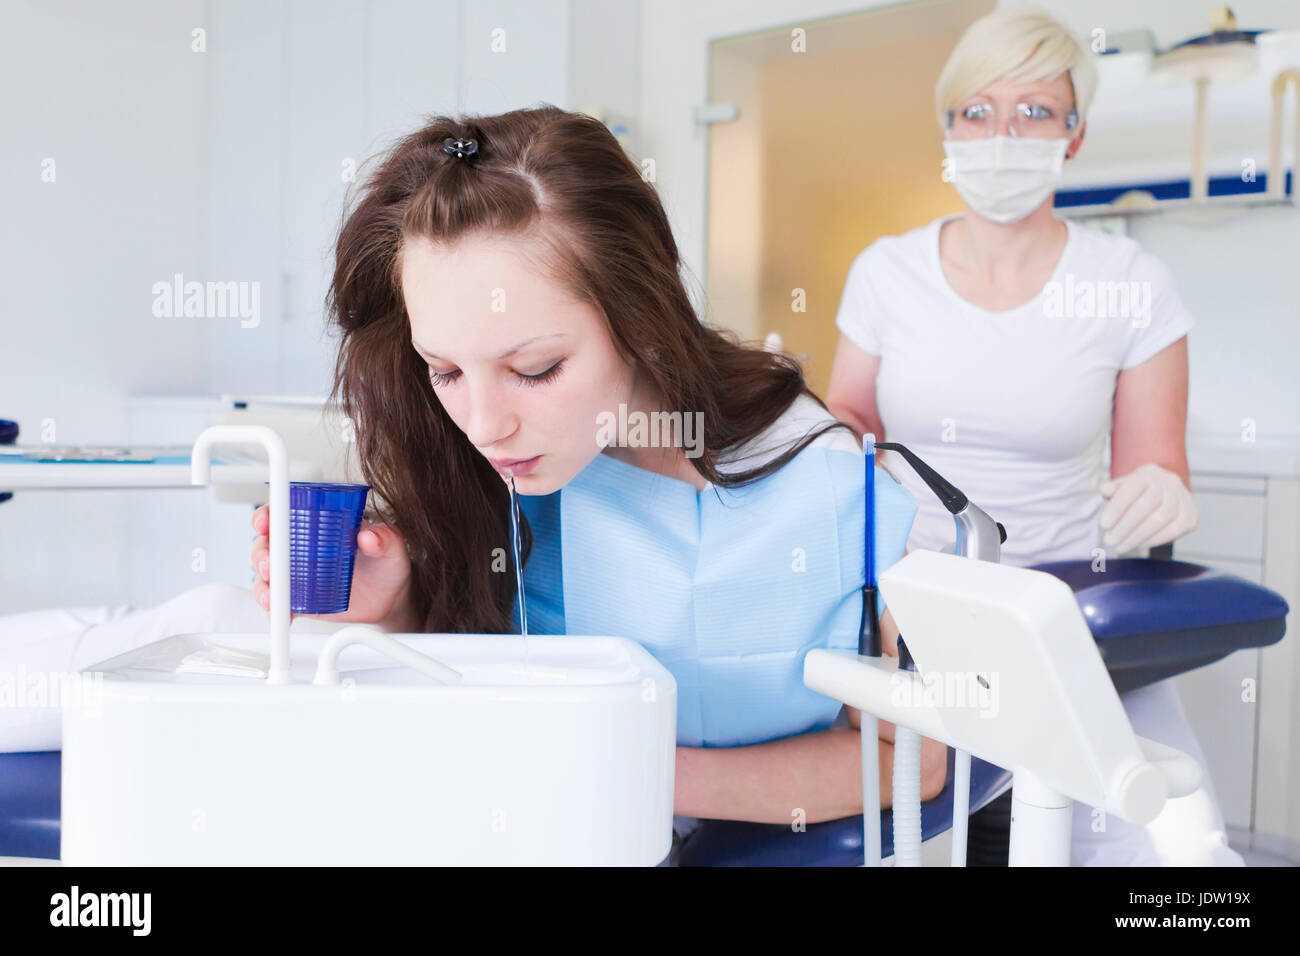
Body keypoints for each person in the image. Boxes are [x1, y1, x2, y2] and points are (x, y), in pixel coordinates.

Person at [2, 106, 943, 867]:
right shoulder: (475, 458)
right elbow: (464, 666)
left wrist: (618, 763)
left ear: (643, 318)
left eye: (535, 369)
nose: (485, 425)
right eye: (445, 371)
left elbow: (910, 759)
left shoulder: (841, 495)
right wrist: (390, 604)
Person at [825, 6, 1239, 866]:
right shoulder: (886, 273)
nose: (1001, 133)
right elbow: (851, 432)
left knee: (1181, 855)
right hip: (911, 619)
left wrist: (1161, 491)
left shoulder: (1130, 282)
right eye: (977, 111)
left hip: (1069, 626)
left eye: (1035, 111)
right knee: (918, 838)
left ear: (1074, 134)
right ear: (946, 129)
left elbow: (1154, 466)